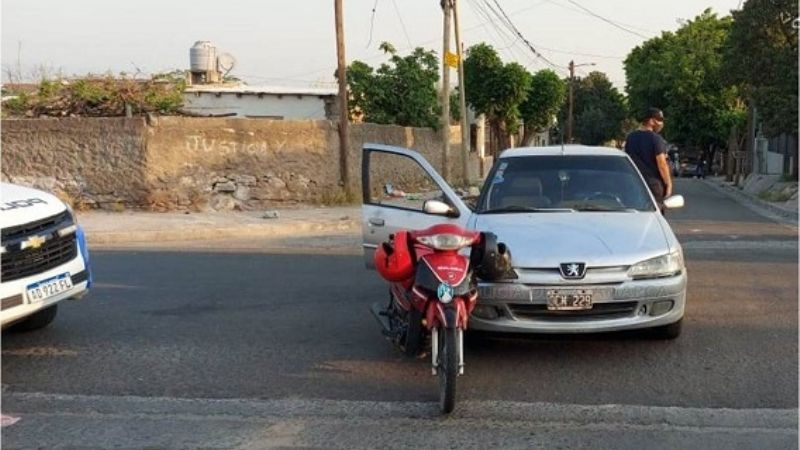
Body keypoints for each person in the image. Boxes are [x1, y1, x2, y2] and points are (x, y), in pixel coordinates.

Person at [624, 107, 673, 212]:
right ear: (651, 121)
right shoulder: (655, 139)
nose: (661, 124)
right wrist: (668, 184)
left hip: (634, 183)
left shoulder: (631, 138)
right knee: (655, 213)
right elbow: (662, 164)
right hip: (653, 184)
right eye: (659, 120)